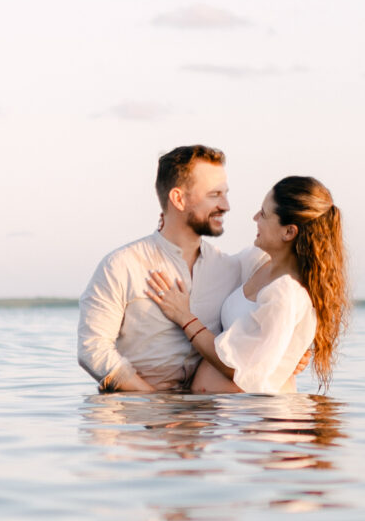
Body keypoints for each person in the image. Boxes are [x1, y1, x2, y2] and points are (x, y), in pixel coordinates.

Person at [144, 175, 347, 393]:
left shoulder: (286, 293)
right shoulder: (257, 261)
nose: (255, 217)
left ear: (288, 232)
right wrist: (179, 227)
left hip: (259, 420)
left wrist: (184, 317)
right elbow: (215, 264)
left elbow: (235, 368)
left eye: (264, 214)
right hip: (232, 418)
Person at [76, 145, 244, 394]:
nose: (226, 205)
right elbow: (92, 348)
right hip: (136, 420)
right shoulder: (122, 265)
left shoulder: (231, 269)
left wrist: (289, 354)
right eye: (214, 194)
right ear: (178, 199)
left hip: (205, 420)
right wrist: (152, 404)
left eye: (225, 193)